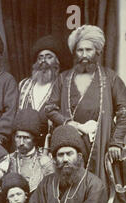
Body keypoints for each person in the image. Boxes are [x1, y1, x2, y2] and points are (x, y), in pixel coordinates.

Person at [45, 25, 126, 190]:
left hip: (101, 142)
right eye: (80, 50)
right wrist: (68, 123)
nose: (84, 55)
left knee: (99, 190)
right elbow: (50, 108)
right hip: (71, 142)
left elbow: (124, 111)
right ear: (75, 52)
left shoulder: (110, 78)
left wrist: (116, 142)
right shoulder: (63, 79)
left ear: (97, 52)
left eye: (88, 50)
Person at [18, 35, 63, 136]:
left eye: (49, 57)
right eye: (40, 57)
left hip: (50, 140)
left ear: (57, 61)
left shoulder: (62, 85)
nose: (43, 61)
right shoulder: (24, 84)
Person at [9, 109, 55, 193]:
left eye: (26, 138)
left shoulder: (45, 162)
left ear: (35, 140)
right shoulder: (8, 160)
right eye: (18, 137)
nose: (21, 143)